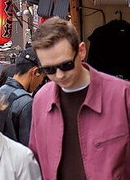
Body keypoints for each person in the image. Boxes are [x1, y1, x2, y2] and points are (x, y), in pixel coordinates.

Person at [28, 18, 130, 180]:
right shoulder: (41, 100)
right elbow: (36, 160)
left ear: (81, 51)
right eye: (49, 69)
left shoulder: (122, 94)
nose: (60, 75)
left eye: (66, 64)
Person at [0, 48, 43, 146]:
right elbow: (29, 146)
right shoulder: (26, 103)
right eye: (42, 78)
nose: (40, 82)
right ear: (35, 72)